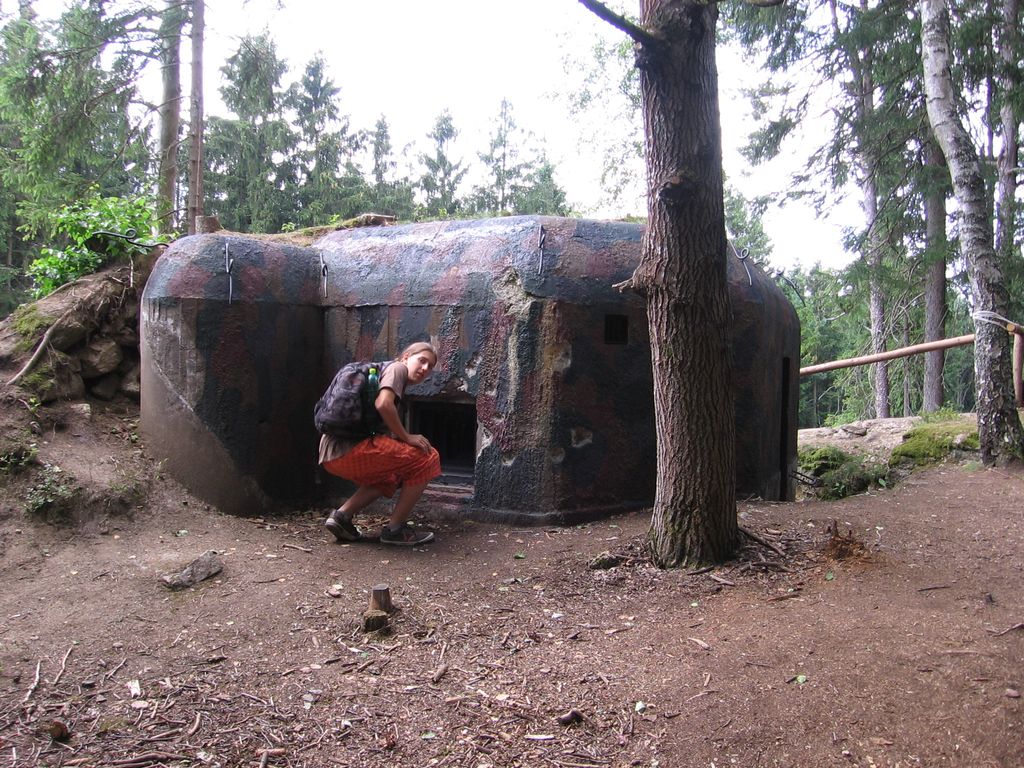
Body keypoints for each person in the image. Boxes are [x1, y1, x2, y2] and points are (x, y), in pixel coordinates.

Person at [320, 341, 441, 546]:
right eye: (422, 361)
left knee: (389, 478)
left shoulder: (382, 374)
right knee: (428, 457)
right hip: (351, 449)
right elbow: (383, 403)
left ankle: (341, 517)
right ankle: (395, 530)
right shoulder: (397, 369)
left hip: (331, 455)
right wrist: (407, 437)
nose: (425, 368)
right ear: (405, 357)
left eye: (430, 367)